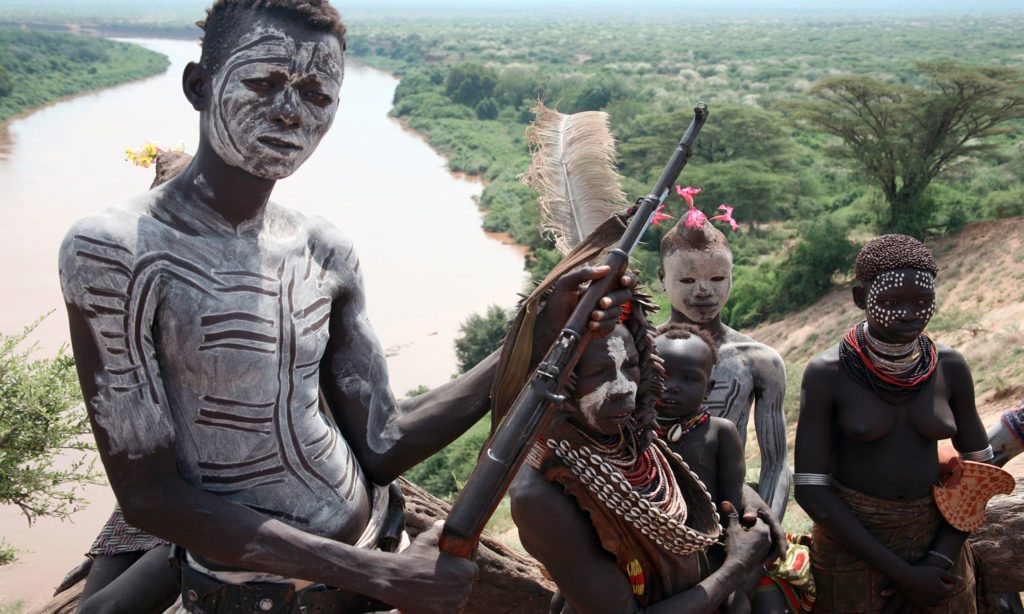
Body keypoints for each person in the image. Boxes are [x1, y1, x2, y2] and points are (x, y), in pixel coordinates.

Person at [58, 1, 633, 612]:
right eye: (263, 82)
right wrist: (378, 576)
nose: (288, 111)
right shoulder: (116, 250)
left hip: (374, 544)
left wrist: (533, 335)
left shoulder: (322, 248)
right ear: (198, 85)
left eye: (316, 94)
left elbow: (384, 443)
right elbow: (150, 498)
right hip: (258, 593)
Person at [510, 291, 775, 614]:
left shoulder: (629, 434)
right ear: (559, 384)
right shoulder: (540, 493)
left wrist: (747, 498)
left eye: (631, 366)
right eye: (599, 374)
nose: (624, 388)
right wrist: (736, 566)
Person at [794, 234, 992, 613]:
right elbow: (810, 488)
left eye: (922, 302)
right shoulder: (827, 373)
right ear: (858, 298)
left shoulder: (949, 366)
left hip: (941, 545)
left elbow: (981, 470)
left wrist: (937, 561)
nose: (908, 313)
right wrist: (903, 574)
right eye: (889, 302)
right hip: (853, 549)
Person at [659, 218, 790, 518]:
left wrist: (766, 530)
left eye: (717, 278)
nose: (704, 291)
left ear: (732, 277)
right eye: (688, 280)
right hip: (653, 506)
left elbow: (776, 461)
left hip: (728, 504)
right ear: (662, 278)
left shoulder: (759, 360)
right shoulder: (640, 352)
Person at [653, 322, 753, 613]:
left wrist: (721, 561)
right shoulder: (633, 432)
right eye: (661, 375)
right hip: (644, 552)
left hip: (705, 554)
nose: (672, 386)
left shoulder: (720, 433)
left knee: (737, 607)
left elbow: (730, 502)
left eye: (688, 378)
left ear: (708, 387)